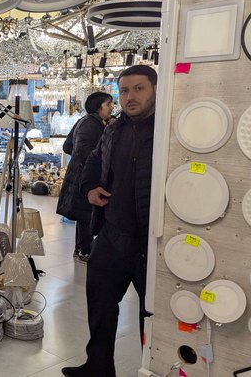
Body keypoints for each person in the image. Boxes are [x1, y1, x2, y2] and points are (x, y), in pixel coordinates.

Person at [62, 65, 157, 377]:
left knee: (151, 314)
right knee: (100, 303)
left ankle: (152, 369)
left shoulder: (166, 130)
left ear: (155, 90)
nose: (130, 97)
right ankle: (98, 366)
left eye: (139, 88)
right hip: (112, 233)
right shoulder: (113, 129)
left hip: (151, 240)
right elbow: (92, 162)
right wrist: (89, 188)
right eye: (124, 90)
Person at [56, 92, 114, 263]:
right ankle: (85, 251)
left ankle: (81, 249)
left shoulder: (88, 121)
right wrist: (95, 164)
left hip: (80, 173)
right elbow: (83, 151)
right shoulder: (91, 124)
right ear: (98, 106)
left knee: (84, 214)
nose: (111, 108)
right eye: (108, 104)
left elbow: (68, 146)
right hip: (84, 176)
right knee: (86, 214)